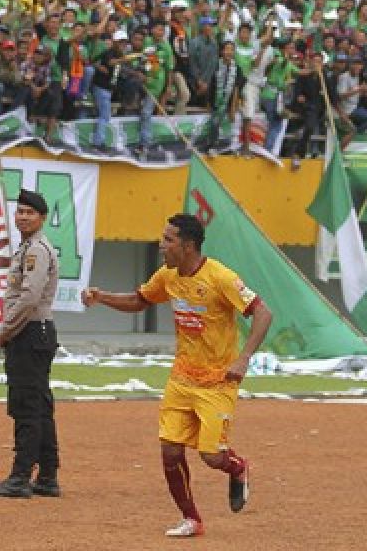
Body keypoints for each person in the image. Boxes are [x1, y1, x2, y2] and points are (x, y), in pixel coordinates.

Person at [82, 214, 273, 538]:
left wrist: (244, 359)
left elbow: (263, 313)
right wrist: (102, 298)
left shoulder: (221, 277)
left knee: (211, 456)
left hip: (217, 382)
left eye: (168, 239)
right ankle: (192, 519)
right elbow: (140, 300)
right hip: (182, 379)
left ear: (187, 246)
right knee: (170, 451)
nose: (161, 244)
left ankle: (237, 468)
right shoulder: (167, 276)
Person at [0, 189, 61, 499]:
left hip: (29, 332)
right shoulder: (29, 248)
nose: (23, 217)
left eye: (29, 212)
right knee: (39, 406)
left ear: (42, 218)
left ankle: (20, 477)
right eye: (20, 212)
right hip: (36, 332)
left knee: (27, 407)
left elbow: (28, 298)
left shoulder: (35, 251)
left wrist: (5, 331)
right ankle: (48, 476)